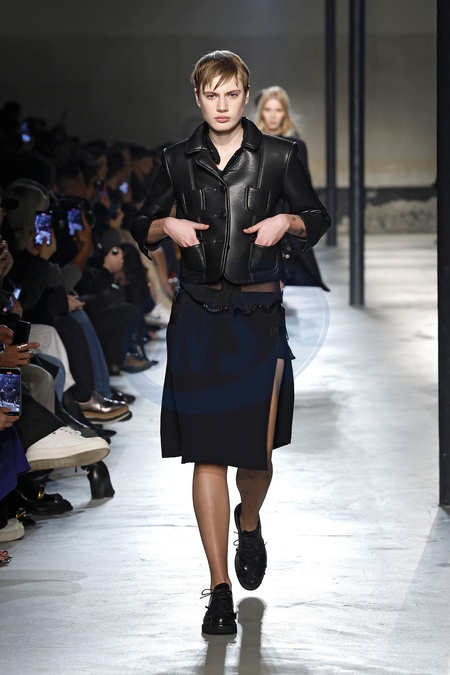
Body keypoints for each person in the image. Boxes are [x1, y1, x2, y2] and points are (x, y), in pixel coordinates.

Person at [131, 50, 330, 635]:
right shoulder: (175, 160)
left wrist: (287, 222)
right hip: (197, 317)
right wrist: (165, 225)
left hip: (258, 316)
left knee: (255, 454)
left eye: (232, 94)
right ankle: (219, 590)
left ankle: (249, 521)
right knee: (207, 453)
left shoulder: (279, 156)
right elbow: (140, 224)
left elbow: (316, 216)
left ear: (246, 95)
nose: (222, 105)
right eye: (211, 95)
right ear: (198, 97)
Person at [255, 85, 329, 290]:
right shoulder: (251, 143)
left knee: (280, 275)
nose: (272, 116)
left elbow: (304, 187)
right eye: (268, 109)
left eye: (278, 110)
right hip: (257, 214)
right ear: (261, 112)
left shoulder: (296, 146)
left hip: (287, 215)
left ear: (285, 113)